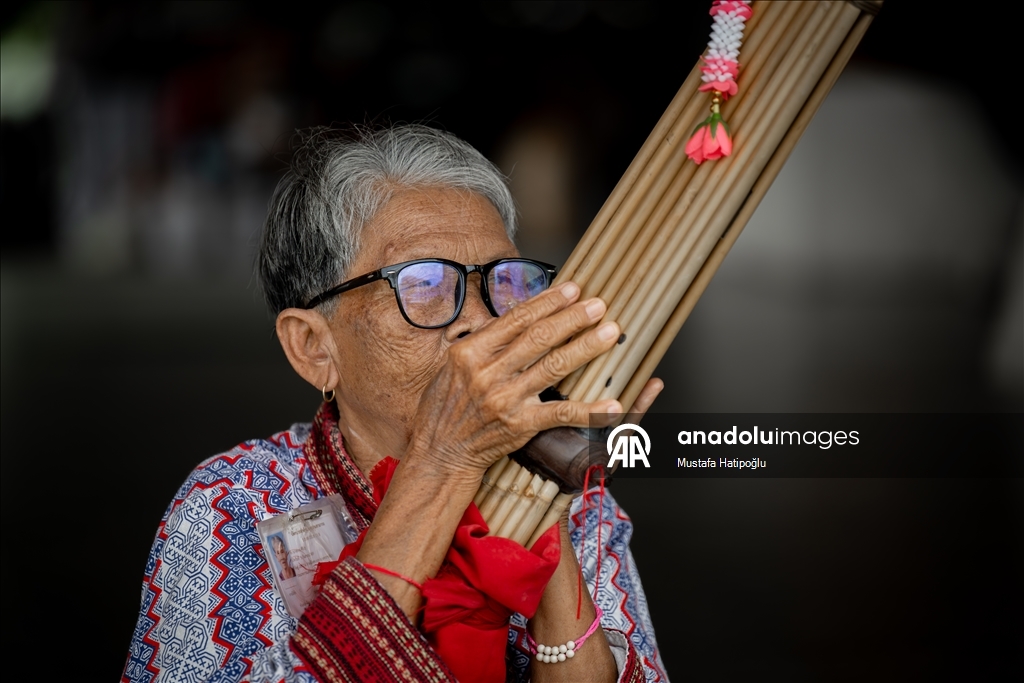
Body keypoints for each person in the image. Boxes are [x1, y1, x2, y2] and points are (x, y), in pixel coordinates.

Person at [122, 125, 668, 683]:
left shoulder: (583, 506)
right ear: (314, 349)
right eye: (425, 283)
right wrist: (443, 462)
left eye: (505, 281)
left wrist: (545, 508)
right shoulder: (233, 504)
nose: (481, 323)